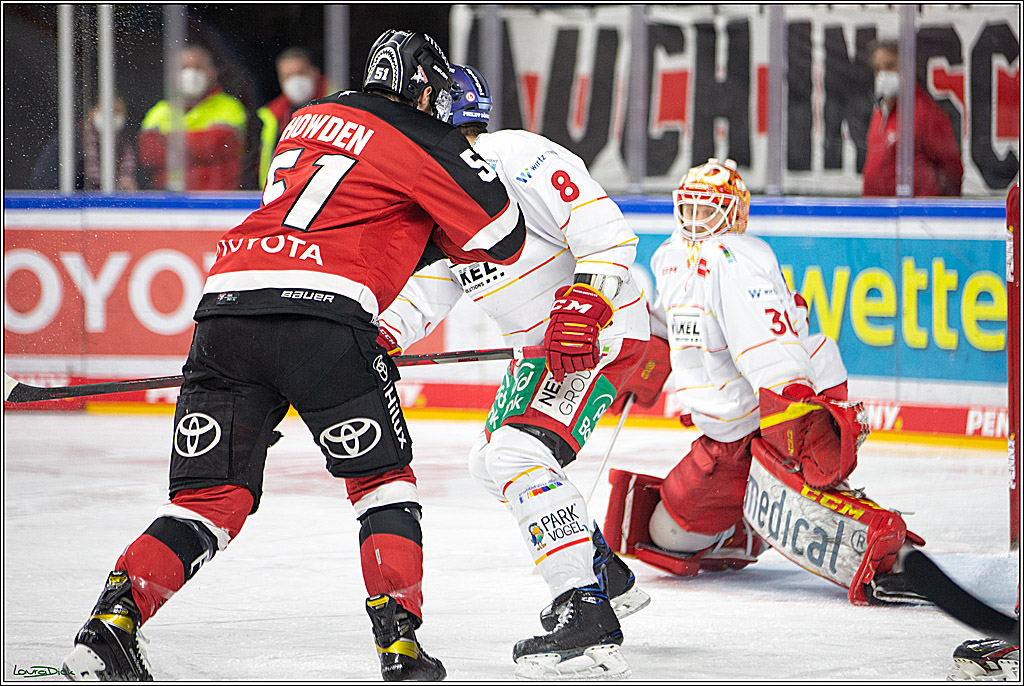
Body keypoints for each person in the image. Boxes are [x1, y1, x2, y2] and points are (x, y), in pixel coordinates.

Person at [61, 30, 526, 682]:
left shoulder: (308, 118)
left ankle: (108, 626)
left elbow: (342, 206)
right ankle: (400, 646)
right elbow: (503, 234)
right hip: (327, 317)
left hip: (226, 309)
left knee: (208, 501)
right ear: (423, 86)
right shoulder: (425, 134)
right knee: (381, 485)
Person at [377, 64, 650, 681]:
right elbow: (431, 290)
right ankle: (603, 571)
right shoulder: (438, 196)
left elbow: (607, 236)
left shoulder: (519, 155)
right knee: (488, 459)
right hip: (545, 351)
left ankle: (581, 607)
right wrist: (382, 334)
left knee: (515, 455)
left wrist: (587, 302)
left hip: (598, 336)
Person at [604, 158, 930, 606]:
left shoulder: (740, 259)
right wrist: (629, 356)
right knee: (662, 534)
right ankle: (744, 524)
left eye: (709, 210)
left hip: (768, 425)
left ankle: (895, 559)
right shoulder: (669, 257)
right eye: (691, 209)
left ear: (734, 212)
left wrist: (793, 412)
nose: (697, 220)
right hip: (722, 439)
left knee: (811, 507)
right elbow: (667, 322)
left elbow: (769, 344)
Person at [137, 43, 248, 191]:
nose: (190, 73)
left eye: (198, 67)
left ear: (212, 72)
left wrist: (169, 139)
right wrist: (198, 147)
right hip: (167, 202)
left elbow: (216, 147)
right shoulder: (160, 110)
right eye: (184, 68)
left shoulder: (230, 107)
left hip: (218, 201)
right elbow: (149, 156)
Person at [861, 39, 964, 197]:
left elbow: (952, 170)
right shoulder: (880, 111)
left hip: (913, 216)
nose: (882, 75)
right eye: (877, 69)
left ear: (909, 68)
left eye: (889, 66)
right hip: (875, 215)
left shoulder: (926, 113)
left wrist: (940, 214)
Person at [248, 47, 331, 189]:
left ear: (315, 72)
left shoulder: (338, 106)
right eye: (287, 76)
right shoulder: (271, 116)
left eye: (301, 73)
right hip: (280, 198)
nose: (295, 81)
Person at [30, 96, 138, 191]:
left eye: (118, 112)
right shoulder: (71, 140)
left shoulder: (124, 146)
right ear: (92, 111)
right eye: (108, 110)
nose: (112, 116)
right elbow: (43, 179)